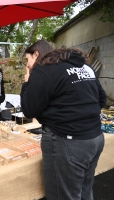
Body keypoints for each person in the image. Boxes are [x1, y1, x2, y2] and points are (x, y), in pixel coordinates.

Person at [20, 46, 107, 200]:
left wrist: (27, 82)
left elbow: (29, 110)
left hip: (67, 141)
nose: (27, 65)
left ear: (36, 54)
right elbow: (101, 100)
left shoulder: (43, 70)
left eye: (28, 60)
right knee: (84, 191)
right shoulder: (86, 67)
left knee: (64, 196)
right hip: (95, 137)